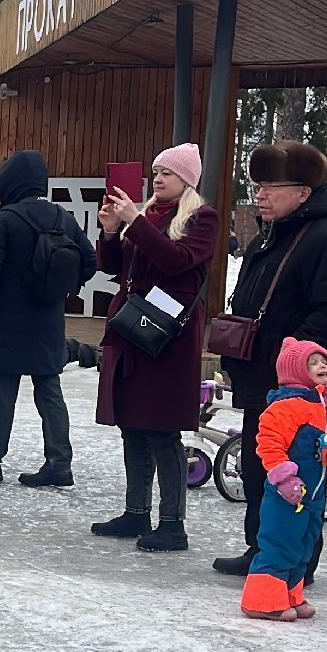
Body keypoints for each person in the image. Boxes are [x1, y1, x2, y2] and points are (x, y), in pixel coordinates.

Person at [211, 141, 327, 580]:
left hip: (302, 391)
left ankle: (296, 562)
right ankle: (264, 549)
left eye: (273, 186)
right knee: (263, 466)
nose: (260, 194)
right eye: (258, 185)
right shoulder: (270, 236)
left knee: (299, 473)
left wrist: (294, 359)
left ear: (304, 192)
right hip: (266, 380)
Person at [88, 143, 222, 552]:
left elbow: (177, 262)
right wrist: (112, 230)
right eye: (156, 171)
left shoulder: (202, 218)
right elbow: (115, 267)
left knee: (162, 429)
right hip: (133, 329)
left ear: (187, 180)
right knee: (132, 423)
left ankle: (172, 523)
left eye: (168, 173)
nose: (159, 178)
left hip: (168, 337)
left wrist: (135, 223)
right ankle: (136, 512)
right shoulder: (147, 214)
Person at [0, 150, 97, 488]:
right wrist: (59, 290)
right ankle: (59, 463)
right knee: (49, 392)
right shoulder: (62, 217)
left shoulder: (5, 220)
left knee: (2, 394)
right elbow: (89, 261)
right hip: (47, 321)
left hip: (6, 321)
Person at [241, 338, 327, 621]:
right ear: (294, 372)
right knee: (279, 542)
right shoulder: (286, 407)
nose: (322, 366)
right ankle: (261, 600)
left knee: (303, 545)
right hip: (287, 494)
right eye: (312, 363)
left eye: (324, 361)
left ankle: (289, 595)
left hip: (315, 494)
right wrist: (284, 477)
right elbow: (269, 443)